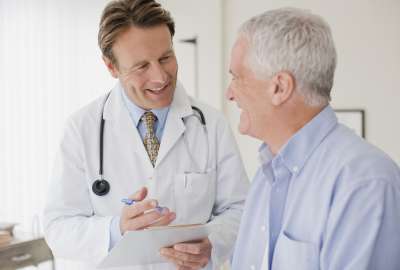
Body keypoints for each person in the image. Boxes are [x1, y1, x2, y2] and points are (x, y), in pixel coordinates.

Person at [43, 0, 249, 269]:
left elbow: (242, 209)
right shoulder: (82, 129)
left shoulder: (210, 124)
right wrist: (117, 229)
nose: (160, 77)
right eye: (141, 66)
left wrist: (214, 242)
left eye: (166, 58)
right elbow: (58, 228)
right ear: (111, 67)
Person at [227, 7, 400, 270]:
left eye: (237, 78)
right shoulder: (267, 176)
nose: (230, 93)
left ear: (280, 87)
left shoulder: (366, 182)